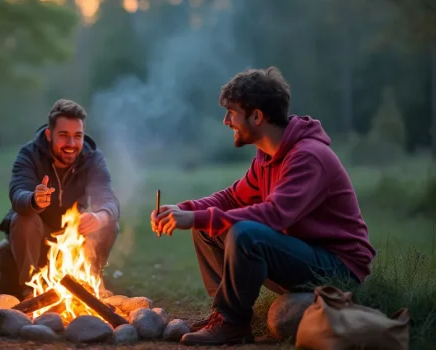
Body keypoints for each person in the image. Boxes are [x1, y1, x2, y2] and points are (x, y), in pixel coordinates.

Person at [150, 67, 376, 346]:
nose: (225, 121)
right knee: (208, 228)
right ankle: (224, 315)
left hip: (339, 269)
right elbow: (234, 197)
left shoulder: (307, 157)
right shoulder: (267, 155)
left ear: (257, 116)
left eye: (231, 112)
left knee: (246, 233)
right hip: (304, 257)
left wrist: (197, 216)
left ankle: (232, 323)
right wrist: (183, 209)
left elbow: (274, 215)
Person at [0, 99, 121, 299]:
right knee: (23, 217)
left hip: (73, 233)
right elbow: (17, 193)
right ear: (49, 134)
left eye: (77, 136)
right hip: (38, 233)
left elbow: (109, 200)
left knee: (107, 222)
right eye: (63, 135)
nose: (71, 144)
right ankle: (31, 289)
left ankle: (91, 281)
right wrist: (33, 199)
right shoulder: (30, 154)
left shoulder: (92, 158)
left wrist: (99, 217)